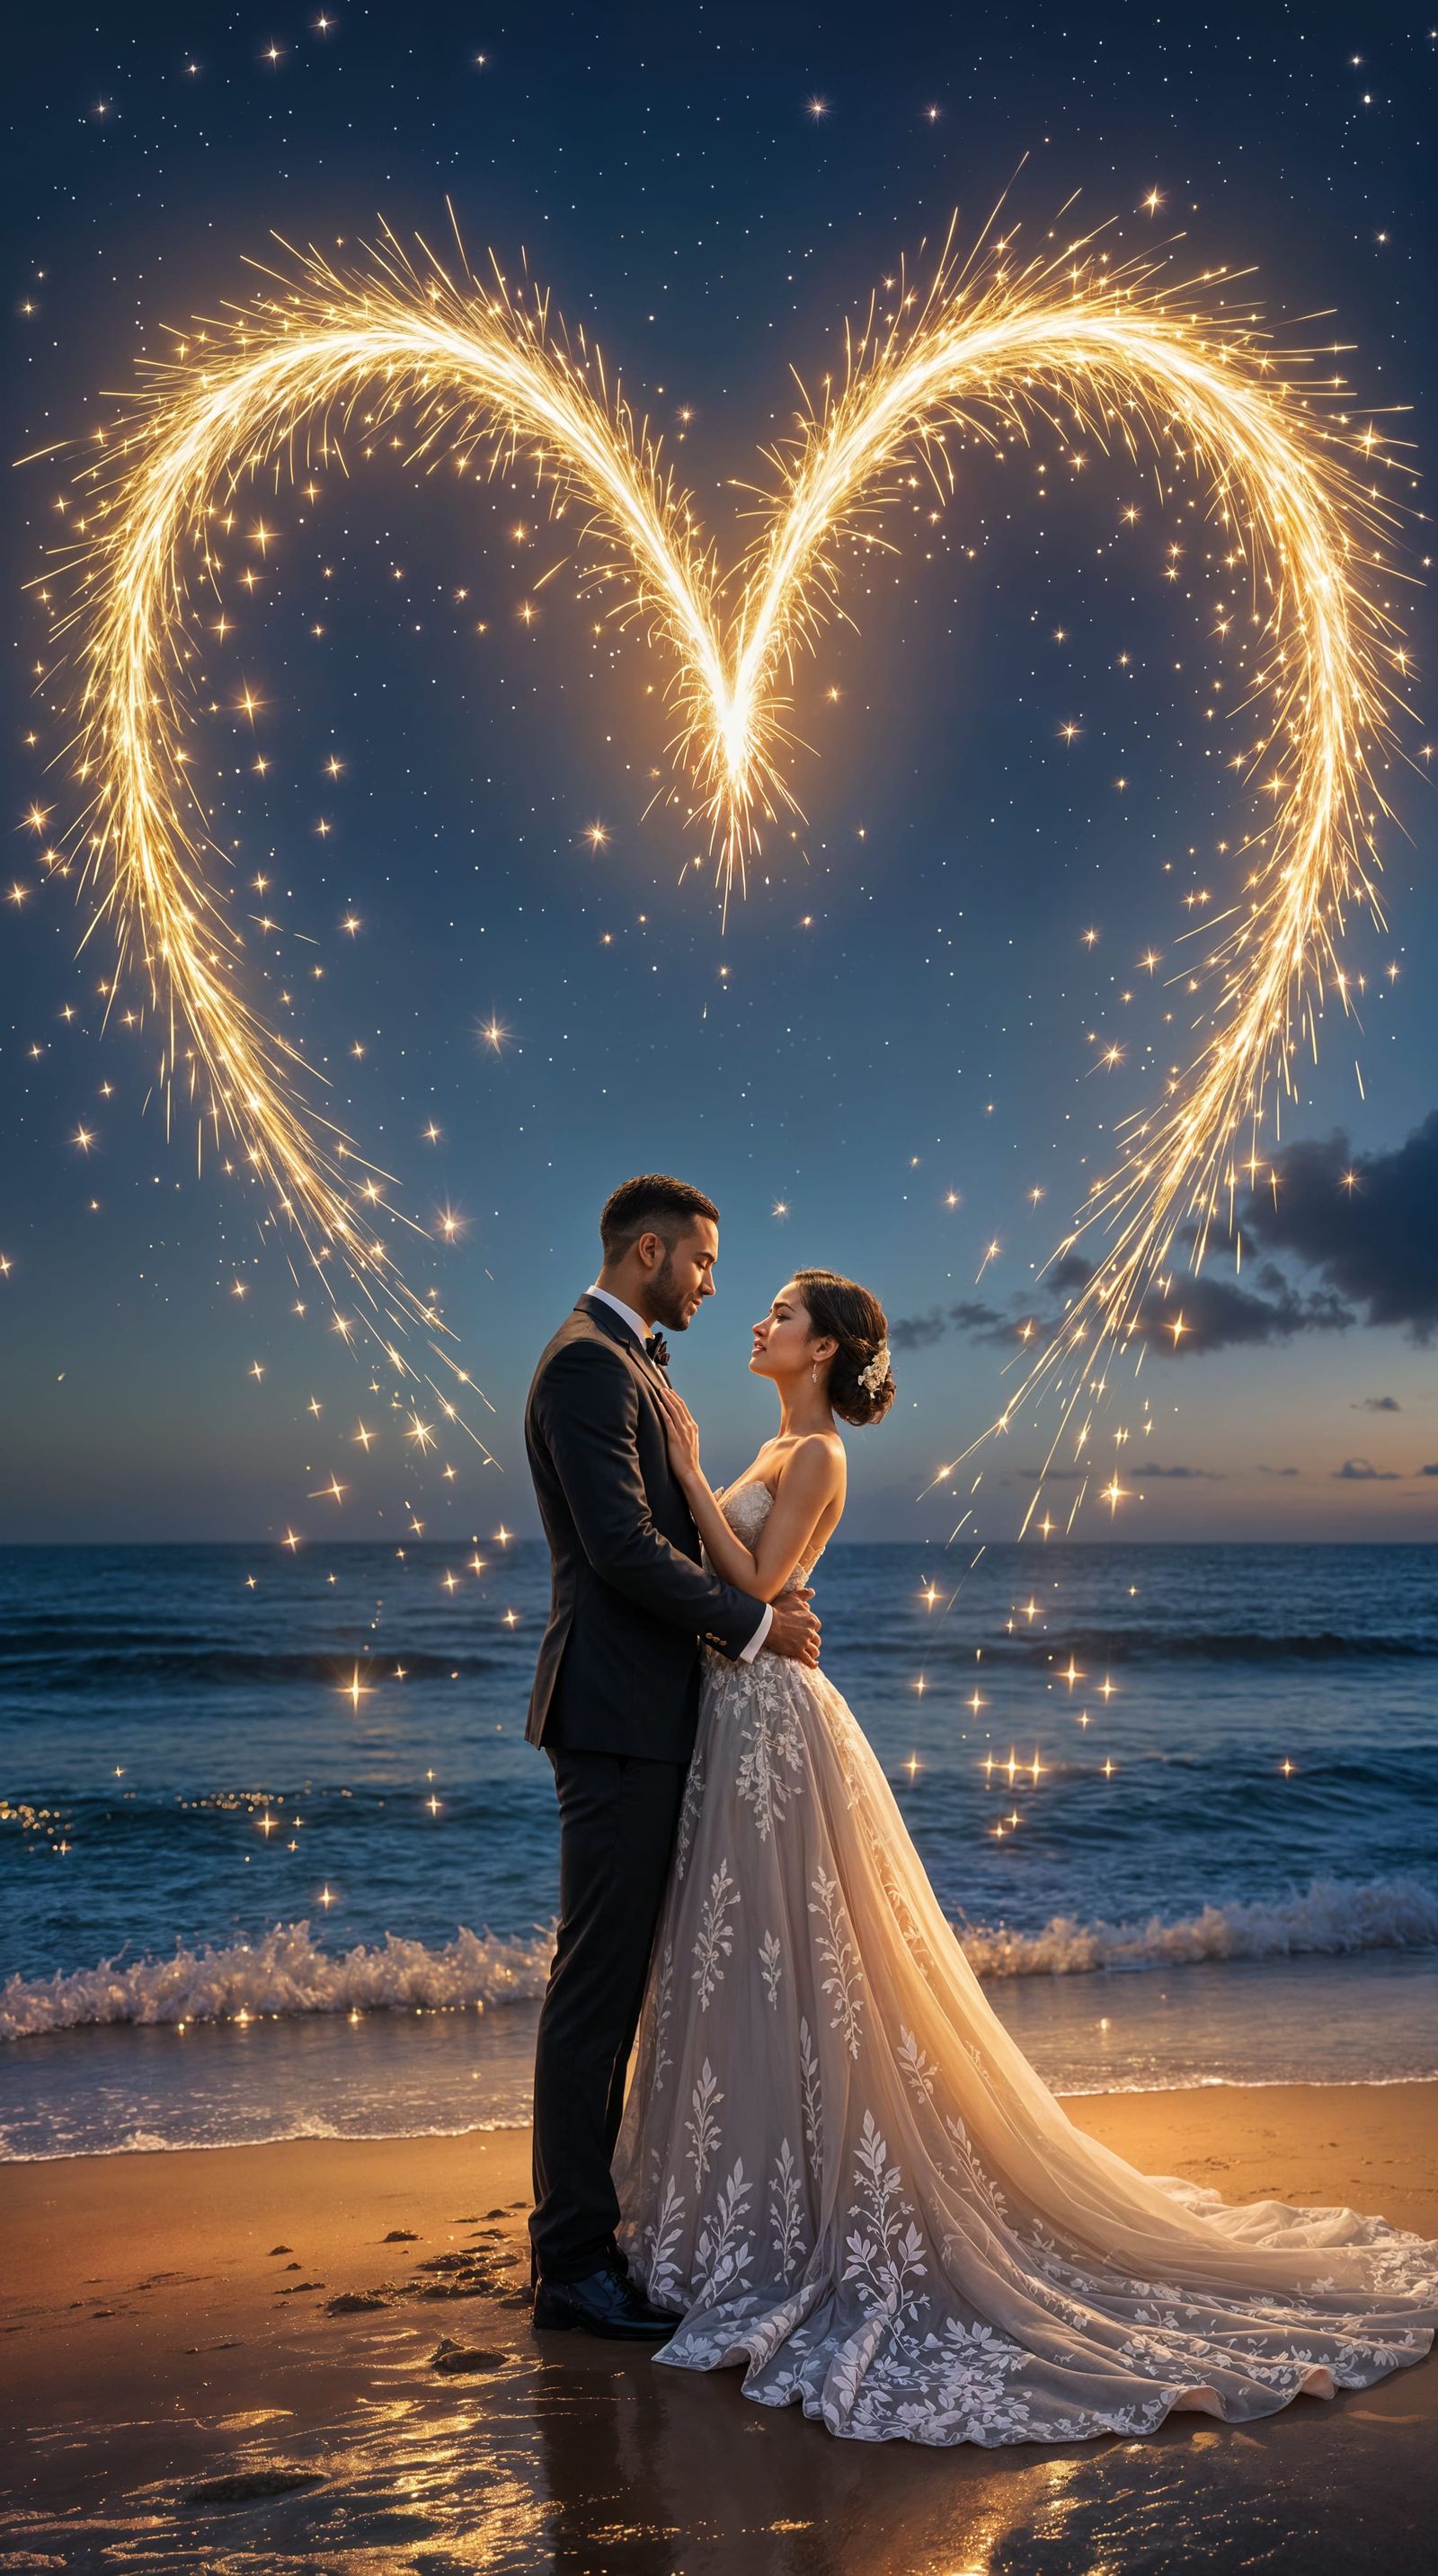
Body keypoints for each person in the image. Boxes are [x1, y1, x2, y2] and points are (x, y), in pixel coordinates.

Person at [613, 1266, 1438, 2445]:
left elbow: (752, 1588)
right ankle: (744, 2212)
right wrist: (699, 1476)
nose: (759, 1321)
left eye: (783, 1315)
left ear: (831, 1349)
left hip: (774, 1724)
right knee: (749, 1960)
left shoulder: (818, 1459)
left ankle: (815, 2222)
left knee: (813, 1959)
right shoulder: (766, 1448)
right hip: (736, 1722)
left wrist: (686, 1468)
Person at [524, 1175, 821, 2340]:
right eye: (702, 1261)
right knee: (593, 1994)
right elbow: (620, 1552)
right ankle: (571, 2266)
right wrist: (755, 1627)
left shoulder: (632, 1364)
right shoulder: (587, 1365)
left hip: (645, 1721)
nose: (713, 1282)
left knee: (615, 1989)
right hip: (613, 1721)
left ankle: (584, 2240)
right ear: (648, 1251)